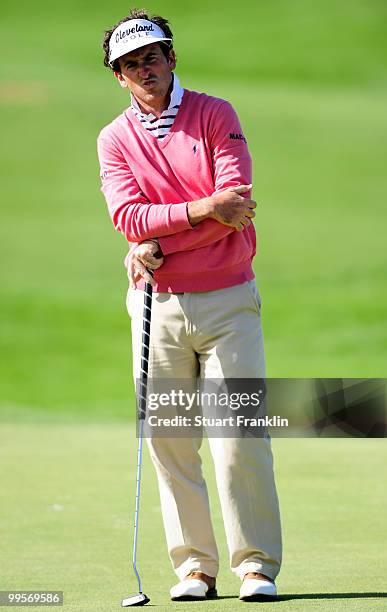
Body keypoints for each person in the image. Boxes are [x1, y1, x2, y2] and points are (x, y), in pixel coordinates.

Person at [97, 9, 282, 602]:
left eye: (151, 57)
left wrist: (158, 239)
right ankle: (196, 568)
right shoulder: (114, 139)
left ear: (171, 58)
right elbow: (129, 218)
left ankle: (255, 566)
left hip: (228, 300)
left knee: (238, 436)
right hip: (158, 307)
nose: (143, 70)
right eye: (129, 65)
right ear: (119, 78)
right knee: (171, 441)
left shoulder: (214, 114)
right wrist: (204, 212)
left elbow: (238, 202)